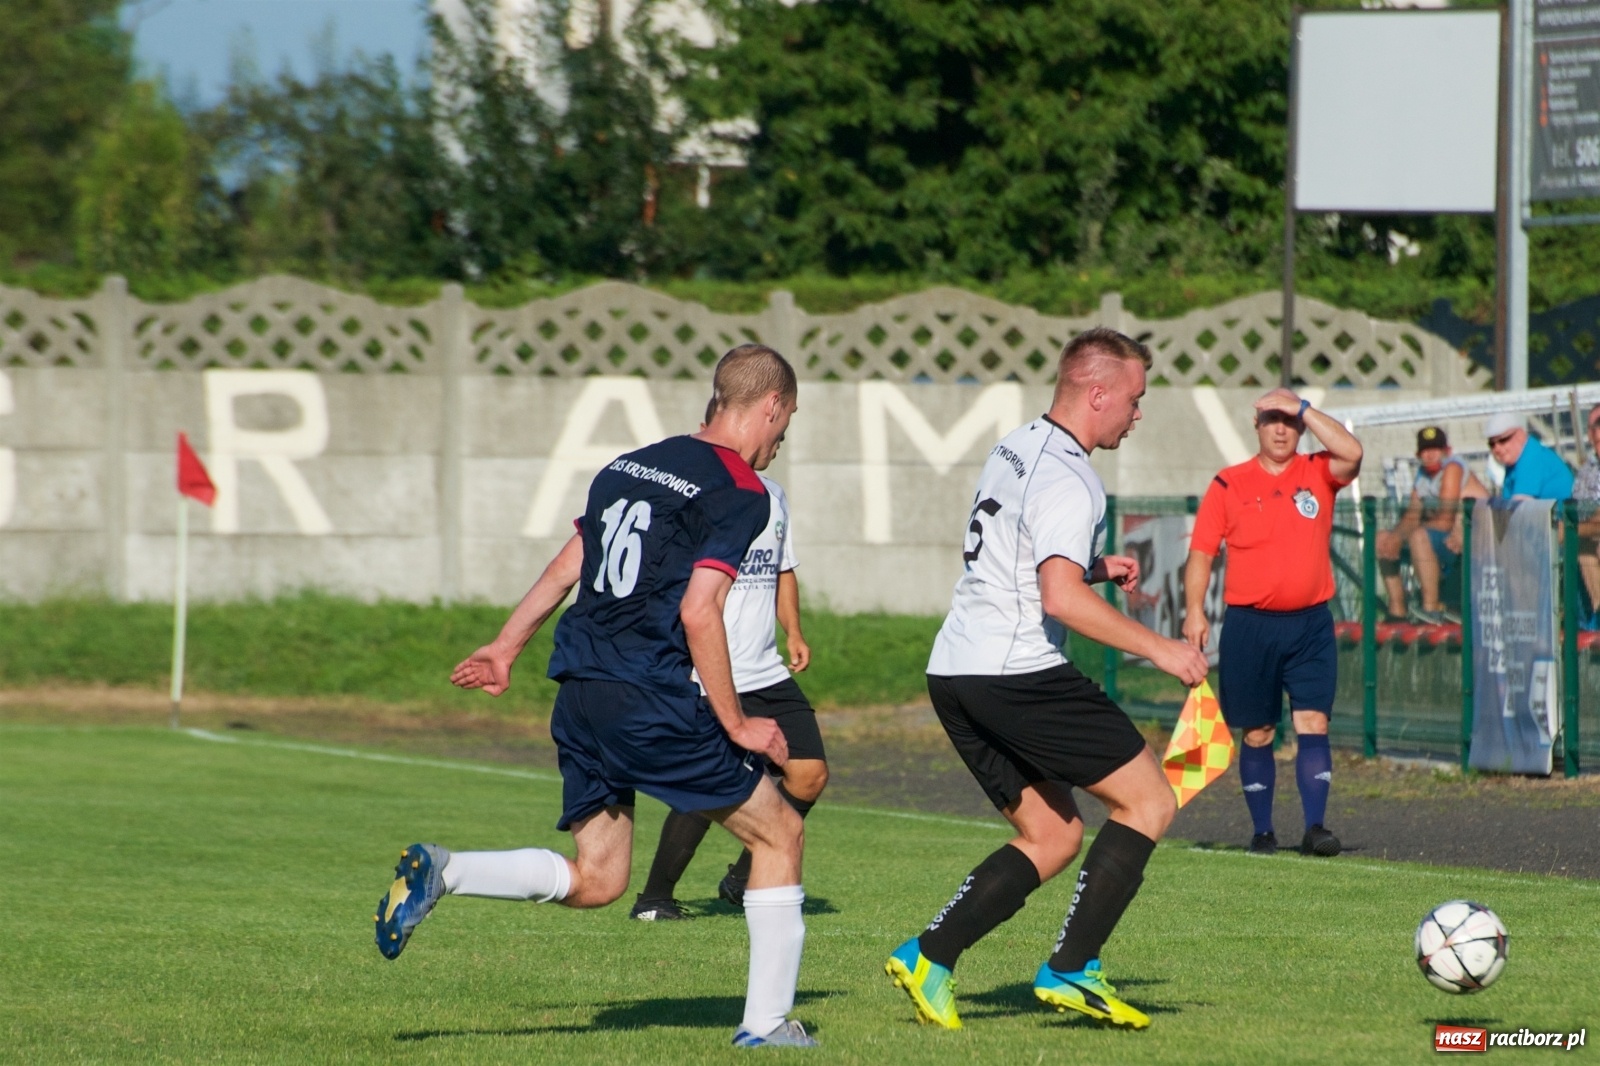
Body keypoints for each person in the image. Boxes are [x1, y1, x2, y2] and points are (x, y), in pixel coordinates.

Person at [371, 344, 819, 1049]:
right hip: (648, 696)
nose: (780, 440)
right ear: (771, 406)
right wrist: (737, 724)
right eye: (785, 421)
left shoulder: (628, 465)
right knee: (781, 831)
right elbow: (702, 612)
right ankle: (766, 1027)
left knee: (601, 879)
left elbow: (567, 564)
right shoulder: (741, 492)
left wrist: (506, 646)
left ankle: (447, 871)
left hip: (579, 692)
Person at [885, 327, 1209, 1033]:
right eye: (1134, 398)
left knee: (1053, 835)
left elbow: (1019, 555)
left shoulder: (1017, 445)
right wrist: (1161, 649)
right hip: (1015, 673)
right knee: (1149, 800)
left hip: (957, 670)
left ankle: (929, 955)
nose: (1138, 412)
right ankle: (1072, 968)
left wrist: (1095, 567)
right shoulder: (1072, 477)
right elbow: (1058, 599)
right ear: (1098, 394)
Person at [631, 402, 827, 921]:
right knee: (708, 782)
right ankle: (653, 899)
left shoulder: (775, 497)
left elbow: (782, 568)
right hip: (713, 669)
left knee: (808, 774)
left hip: (766, 669)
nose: (778, 443)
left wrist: (794, 630)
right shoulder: (707, 497)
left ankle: (744, 878)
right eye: (778, 432)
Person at [1181, 388, 1363, 859]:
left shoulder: (1319, 472)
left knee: (1313, 723)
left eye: (1290, 421)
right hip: (1250, 625)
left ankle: (1315, 828)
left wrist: (1305, 406)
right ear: (1256, 424)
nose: (1281, 429)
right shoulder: (1228, 483)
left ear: (1301, 427)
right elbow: (1201, 552)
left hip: (1310, 626)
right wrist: (1195, 610)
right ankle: (1262, 832)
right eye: (1272, 420)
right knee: (1258, 731)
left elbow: (1352, 451)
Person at [1374, 426, 1489, 624]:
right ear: (1418, 454)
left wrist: (1406, 534)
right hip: (1445, 538)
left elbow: (1445, 520)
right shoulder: (1423, 475)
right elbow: (1412, 514)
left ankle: (1432, 607)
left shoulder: (1452, 468)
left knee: (1419, 535)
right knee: (1382, 538)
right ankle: (1397, 609)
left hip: (1474, 541)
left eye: (1435, 449)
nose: (1430, 455)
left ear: (1447, 451)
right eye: (1425, 451)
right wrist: (1394, 538)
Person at [1485, 412, 1573, 500]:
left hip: (1559, 513)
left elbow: (1519, 506)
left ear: (1520, 435)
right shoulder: (1516, 461)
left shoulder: (1531, 458)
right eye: (1492, 444)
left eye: (1503, 440)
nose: (1497, 448)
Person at [1570, 405, 1600, 625]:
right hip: (1591, 533)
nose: (1597, 433)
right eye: (1593, 427)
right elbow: (1578, 510)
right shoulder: (1586, 471)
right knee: (1583, 548)